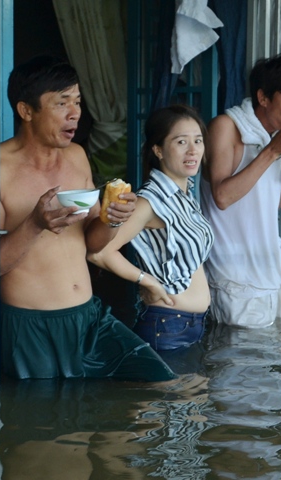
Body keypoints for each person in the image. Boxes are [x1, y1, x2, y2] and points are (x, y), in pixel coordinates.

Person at [0, 55, 175, 381]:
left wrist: (112, 219)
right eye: (62, 102)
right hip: (32, 327)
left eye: (77, 101)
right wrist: (35, 224)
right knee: (51, 427)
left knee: (158, 387)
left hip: (90, 318)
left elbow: (92, 243)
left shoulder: (77, 156)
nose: (75, 113)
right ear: (26, 111)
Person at [200, 54, 281, 328]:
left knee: (275, 364)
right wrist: (272, 151)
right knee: (239, 364)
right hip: (235, 276)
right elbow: (223, 198)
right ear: (263, 97)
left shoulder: (269, 137)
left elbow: (268, 206)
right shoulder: (227, 127)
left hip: (271, 270)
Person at [88, 104, 214, 351]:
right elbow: (99, 252)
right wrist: (148, 282)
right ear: (158, 149)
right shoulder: (149, 201)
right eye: (181, 142)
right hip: (167, 326)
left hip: (188, 325)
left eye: (198, 141)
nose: (193, 150)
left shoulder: (185, 193)